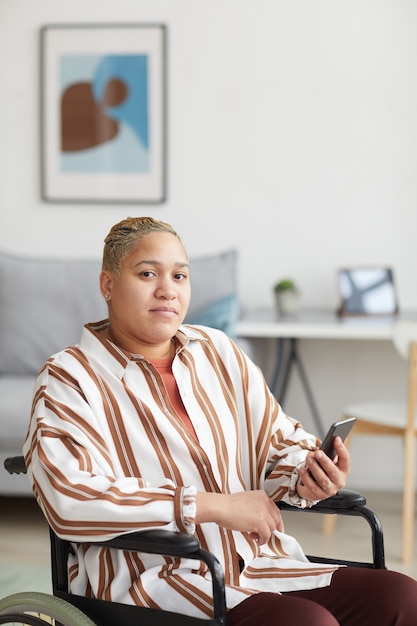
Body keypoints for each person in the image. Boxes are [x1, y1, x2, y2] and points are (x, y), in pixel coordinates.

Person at [23, 216, 417, 626]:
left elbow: (278, 443)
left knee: (402, 597)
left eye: (179, 275)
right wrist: (212, 506)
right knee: (307, 623)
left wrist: (307, 475)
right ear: (107, 284)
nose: (167, 290)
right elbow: (70, 499)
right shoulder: (70, 376)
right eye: (147, 274)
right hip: (152, 579)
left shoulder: (217, 351)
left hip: (258, 563)